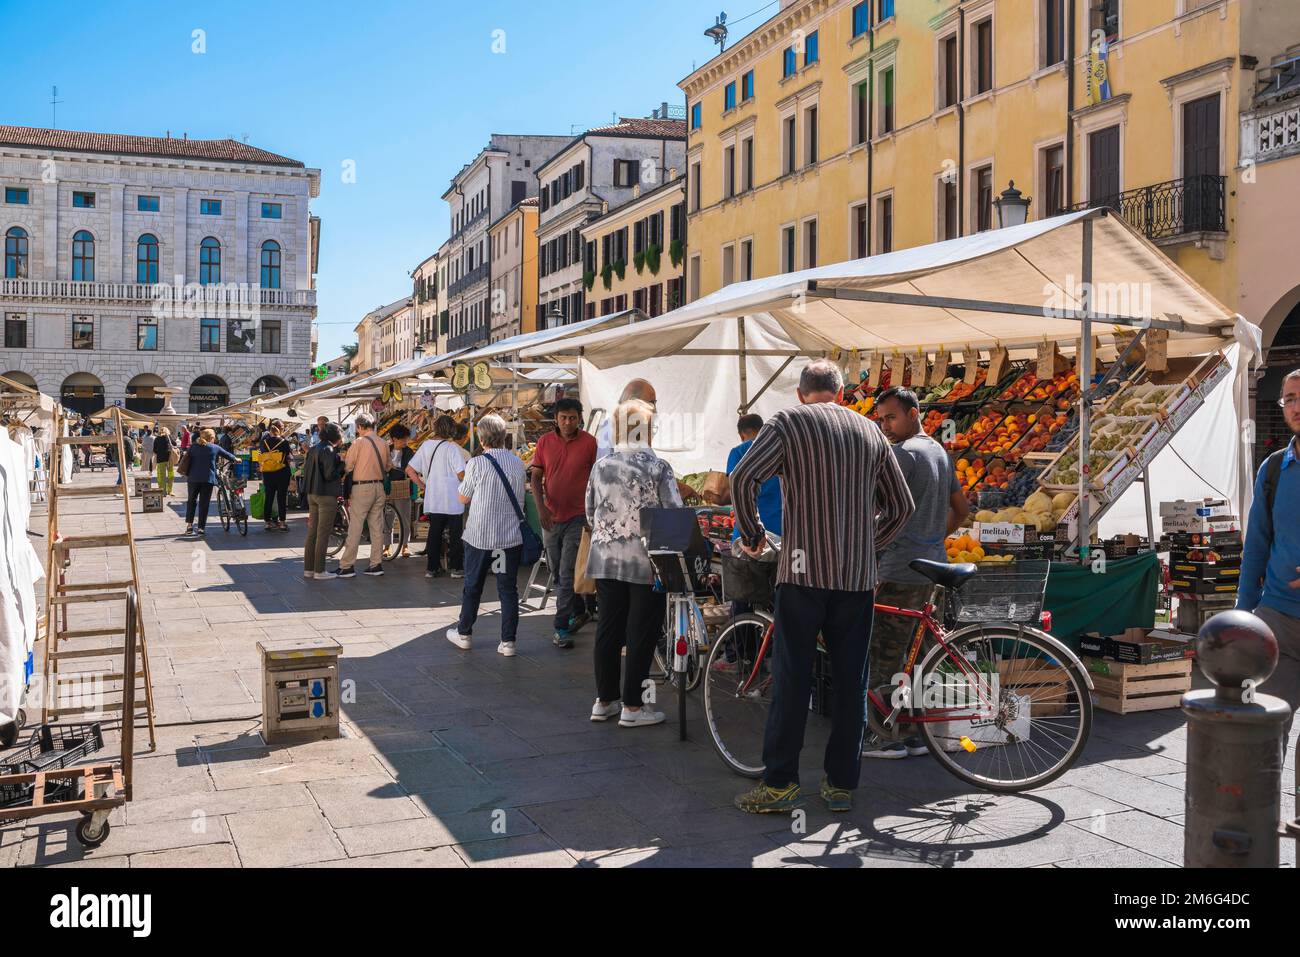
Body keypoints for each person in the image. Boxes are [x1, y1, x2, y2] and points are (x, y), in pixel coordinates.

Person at [730, 360, 914, 814]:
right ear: (841, 393)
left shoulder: (790, 422)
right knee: (852, 681)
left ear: (800, 392)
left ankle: (780, 784)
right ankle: (840, 787)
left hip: (802, 573)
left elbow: (743, 477)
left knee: (793, 678)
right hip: (855, 579)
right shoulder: (869, 431)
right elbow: (901, 506)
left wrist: (753, 536)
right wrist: (868, 545)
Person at [863, 386, 971, 759]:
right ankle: (918, 733)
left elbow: (879, 512)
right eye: (880, 419)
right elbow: (962, 508)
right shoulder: (939, 452)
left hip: (898, 569)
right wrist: (931, 539)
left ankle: (886, 736)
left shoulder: (902, 455)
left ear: (913, 413)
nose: (885, 425)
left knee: (886, 654)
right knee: (921, 654)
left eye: (891, 417)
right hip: (932, 568)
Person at [586, 398, 684, 728]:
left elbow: (589, 510)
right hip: (646, 560)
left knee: (608, 630)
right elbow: (674, 514)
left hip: (605, 556)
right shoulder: (658, 467)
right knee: (641, 632)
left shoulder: (602, 466)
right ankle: (634, 706)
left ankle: (604, 700)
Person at [1239, 367, 1300, 755]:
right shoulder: (1274, 469)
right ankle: (1261, 815)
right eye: (1289, 399)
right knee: (1266, 732)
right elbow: (1256, 548)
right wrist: (1243, 619)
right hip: (1279, 620)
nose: (1296, 406)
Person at [446, 414, 526, 656]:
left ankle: (464, 633)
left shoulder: (477, 464)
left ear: (482, 439)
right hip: (508, 538)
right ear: (504, 437)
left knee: (473, 586)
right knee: (507, 589)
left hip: (480, 537)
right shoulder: (517, 463)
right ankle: (508, 642)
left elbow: (463, 498)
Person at [531, 397, 598, 649]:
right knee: (557, 569)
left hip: (578, 517)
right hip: (550, 517)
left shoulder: (590, 443)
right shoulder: (544, 442)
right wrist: (540, 509)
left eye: (572, 418)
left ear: (579, 418)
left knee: (567, 572)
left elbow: (595, 481)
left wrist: (592, 514)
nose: (568, 422)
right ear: (556, 420)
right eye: (563, 418)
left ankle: (560, 627)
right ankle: (578, 611)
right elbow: (536, 478)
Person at [406, 415, 469, 579]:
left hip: (434, 497)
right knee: (455, 534)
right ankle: (456, 568)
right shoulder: (452, 448)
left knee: (434, 532)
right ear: (451, 430)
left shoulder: (425, 445)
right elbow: (461, 474)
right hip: (453, 499)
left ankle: (432, 568)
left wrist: (423, 486)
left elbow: (410, 470)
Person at [337, 413, 391, 578]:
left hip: (362, 488)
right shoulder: (383, 443)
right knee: (376, 527)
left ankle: (347, 566)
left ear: (360, 427)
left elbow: (348, 466)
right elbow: (388, 466)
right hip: (379, 487)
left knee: (356, 527)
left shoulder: (358, 443)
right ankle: (376, 564)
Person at [303, 423, 346, 581]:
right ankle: (319, 570)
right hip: (326, 495)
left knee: (312, 533)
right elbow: (330, 474)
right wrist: (342, 465)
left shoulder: (314, 448)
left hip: (312, 494)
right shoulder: (328, 450)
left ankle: (309, 569)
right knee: (323, 533)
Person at [183, 428, 239, 537]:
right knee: (204, 503)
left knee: (191, 501)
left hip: (193, 479)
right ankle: (201, 528)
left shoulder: (193, 447)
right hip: (207, 479)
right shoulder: (214, 447)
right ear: (212, 438)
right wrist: (236, 459)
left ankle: (189, 526)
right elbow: (228, 455)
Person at [386, 425, 416, 557]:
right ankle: (386, 546)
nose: (405, 442)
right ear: (394, 439)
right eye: (402, 440)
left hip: (403, 488)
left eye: (406, 439)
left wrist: (394, 467)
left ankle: (405, 545)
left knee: (404, 517)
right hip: (387, 487)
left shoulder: (409, 452)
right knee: (386, 518)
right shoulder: (386, 450)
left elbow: (412, 469)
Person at [259, 422, 293, 532]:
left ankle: (267, 523)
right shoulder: (284, 442)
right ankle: (282, 523)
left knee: (269, 496)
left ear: (270, 431)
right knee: (281, 497)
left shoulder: (264, 442)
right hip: (282, 472)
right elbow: (289, 456)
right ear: (279, 431)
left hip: (268, 473)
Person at [153, 427, 175, 496]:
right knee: (170, 475)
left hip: (160, 460)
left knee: (161, 476)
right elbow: (174, 444)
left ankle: (162, 492)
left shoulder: (156, 439)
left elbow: (154, 450)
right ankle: (170, 491)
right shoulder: (168, 437)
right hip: (169, 459)